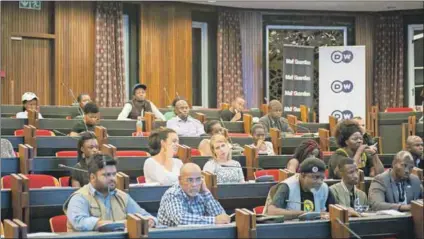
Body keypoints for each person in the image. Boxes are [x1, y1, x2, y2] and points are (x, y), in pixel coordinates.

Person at [64, 154, 157, 232]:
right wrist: (118, 224)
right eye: (107, 175)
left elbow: (144, 216)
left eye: (114, 174)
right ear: (92, 177)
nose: (112, 178)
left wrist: (150, 221)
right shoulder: (80, 197)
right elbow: (80, 222)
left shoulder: (122, 197)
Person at [157, 163, 230, 226]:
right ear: (180, 180)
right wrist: (214, 220)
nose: (194, 184)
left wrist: (206, 192)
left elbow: (221, 217)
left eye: (198, 179)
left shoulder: (201, 193)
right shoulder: (173, 194)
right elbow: (180, 219)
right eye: (190, 180)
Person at [264, 158, 334, 219]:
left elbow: (333, 211)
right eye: (315, 177)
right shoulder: (287, 186)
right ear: (302, 175)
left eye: (322, 178)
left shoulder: (324, 188)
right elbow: (272, 212)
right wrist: (303, 214)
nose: (319, 182)